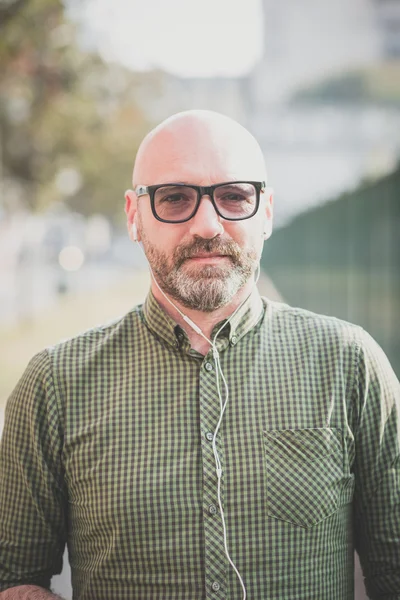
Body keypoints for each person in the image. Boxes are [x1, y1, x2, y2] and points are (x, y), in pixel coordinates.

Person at [0, 110, 399, 600]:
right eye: (175, 198)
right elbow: (14, 575)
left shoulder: (350, 364)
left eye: (234, 197)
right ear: (133, 215)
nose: (207, 225)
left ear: (267, 212)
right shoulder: (54, 385)